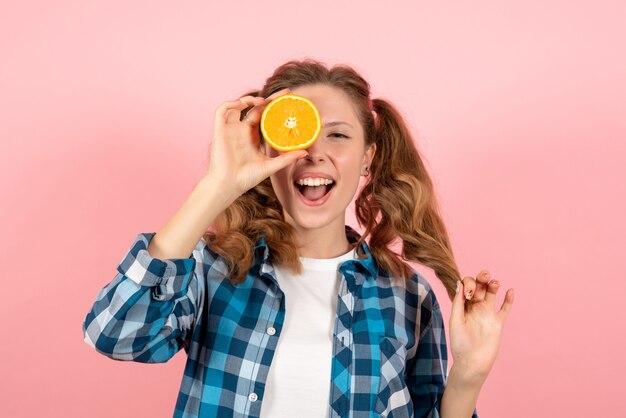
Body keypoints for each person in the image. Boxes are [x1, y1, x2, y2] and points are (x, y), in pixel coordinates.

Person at [82, 58, 514, 418]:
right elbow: (115, 334)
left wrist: (469, 376)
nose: (313, 152)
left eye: (338, 135)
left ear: (368, 158)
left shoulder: (407, 295)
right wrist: (218, 184)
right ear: (267, 151)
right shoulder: (213, 270)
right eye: (296, 132)